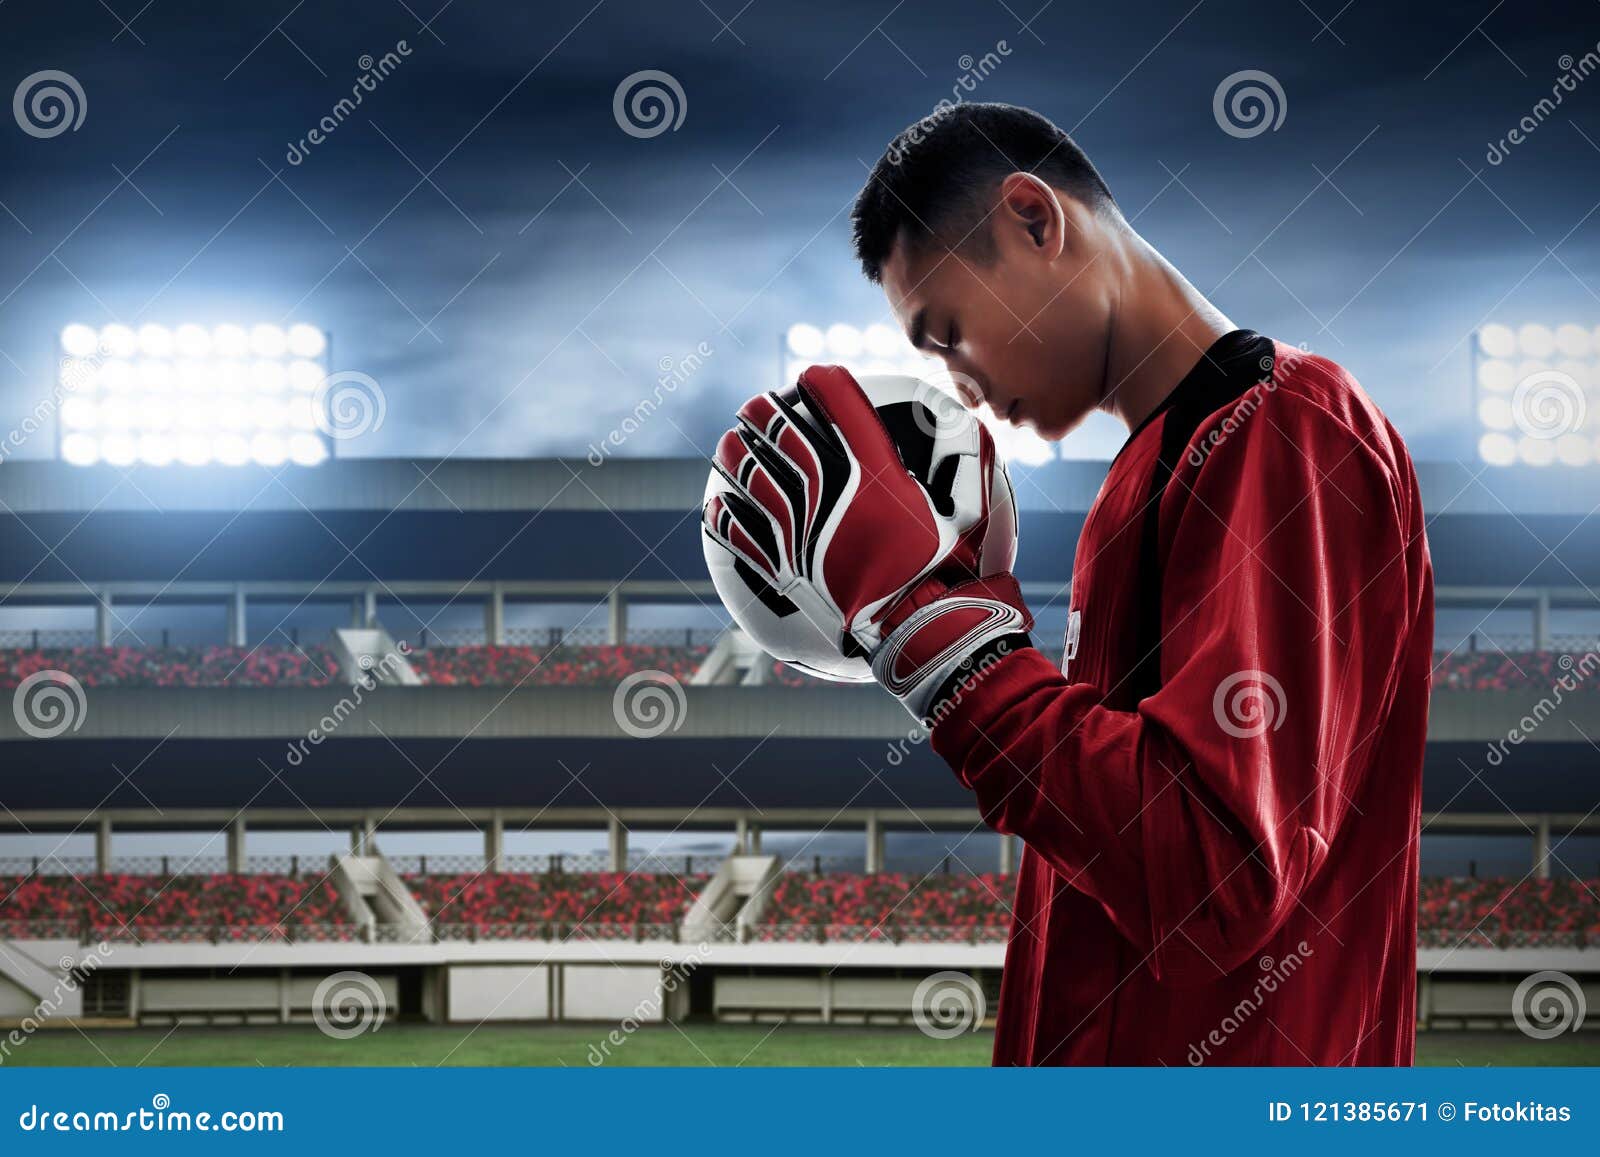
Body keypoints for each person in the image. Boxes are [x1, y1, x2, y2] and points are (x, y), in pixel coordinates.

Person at [711, 102, 1433, 1065]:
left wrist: (942, 643)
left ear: (1035, 219)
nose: (958, 385)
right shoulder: (1143, 476)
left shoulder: (1289, 428)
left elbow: (1212, 881)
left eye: (948, 331)